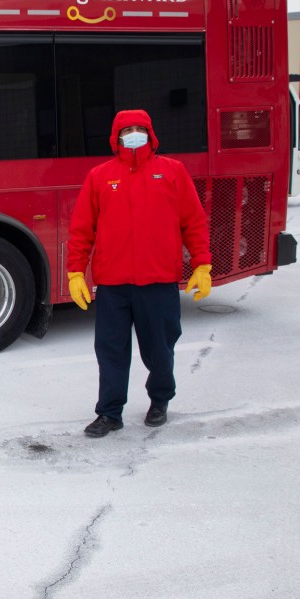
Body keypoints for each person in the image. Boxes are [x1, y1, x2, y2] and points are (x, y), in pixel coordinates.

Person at [66, 109, 212, 438]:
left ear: (150, 132)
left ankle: (159, 400)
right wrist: (76, 272)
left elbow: (194, 221)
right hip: (113, 286)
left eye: (139, 129)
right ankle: (109, 413)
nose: (133, 135)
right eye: (126, 130)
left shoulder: (173, 172)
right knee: (111, 351)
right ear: (115, 138)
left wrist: (202, 264)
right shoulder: (100, 176)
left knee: (159, 350)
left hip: (158, 282)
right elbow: (81, 230)